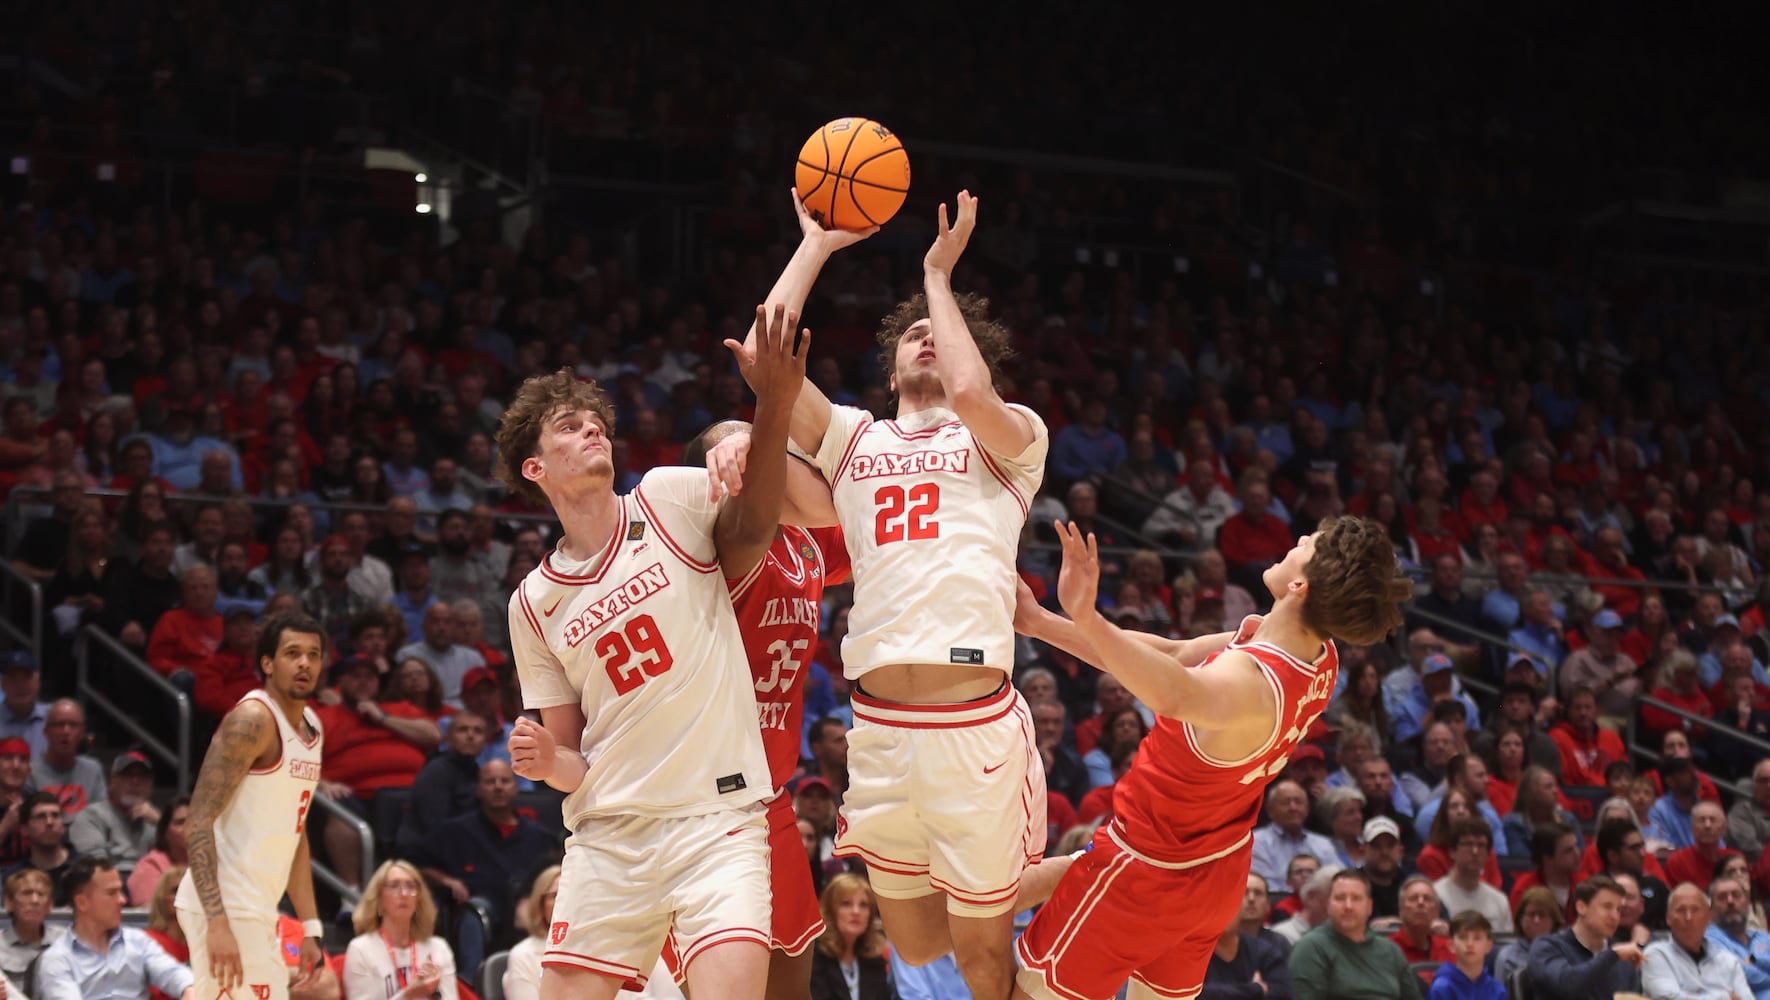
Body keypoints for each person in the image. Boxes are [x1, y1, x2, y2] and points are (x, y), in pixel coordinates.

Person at [726, 192, 1052, 1000]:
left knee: (981, 960)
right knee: (912, 939)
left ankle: (1075, 872)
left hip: (969, 725)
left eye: (940, 334)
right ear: (890, 364)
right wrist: (815, 245)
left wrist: (938, 275)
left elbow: (974, 396)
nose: (925, 337)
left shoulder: (1011, 440)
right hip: (877, 729)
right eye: (911, 331)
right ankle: (1067, 869)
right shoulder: (855, 440)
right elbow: (770, 361)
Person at [500, 306, 803, 997]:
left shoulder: (666, 498)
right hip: (611, 839)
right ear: (536, 465)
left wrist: (747, 442)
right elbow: (573, 765)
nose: (592, 429)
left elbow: (757, 518)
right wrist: (549, 763)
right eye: (570, 427)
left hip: (716, 822)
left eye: (595, 421)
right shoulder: (532, 603)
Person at [1014, 516, 1412, 1000]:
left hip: (1145, 871)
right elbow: (1174, 653)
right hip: (1215, 873)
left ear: (1301, 585)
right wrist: (1040, 622)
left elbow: (1172, 693)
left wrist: (1089, 616)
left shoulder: (1250, 683)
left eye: (1310, 544)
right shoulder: (1319, 655)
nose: (1300, 539)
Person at [681, 416, 852, 1000]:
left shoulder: (803, 537)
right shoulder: (713, 540)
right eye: (733, 450)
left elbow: (862, 507)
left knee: (792, 985)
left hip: (769, 795)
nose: (753, 453)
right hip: (701, 801)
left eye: (757, 443)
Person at [176, 612, 328, 1000]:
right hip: (226, 905)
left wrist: (310, 925)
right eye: (292, 653)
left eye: (314, 654)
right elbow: (198, 821)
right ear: (267, 663)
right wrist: (217, 922)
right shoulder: (252, 720)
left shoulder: (313, 726)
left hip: (260, 907)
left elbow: (296, 832)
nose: (304, 663)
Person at [34, 856, 196, 999]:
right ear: (82, 902)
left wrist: (189, 990)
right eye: (112, 893)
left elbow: (175, 975)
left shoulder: (138, 941)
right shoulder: (57, 958)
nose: (123, 900)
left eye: (121, 891)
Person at [1287, 869, 1421, 1000]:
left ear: (1369, 907)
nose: (1348, 906)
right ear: (1329, 905)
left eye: (1356, 898)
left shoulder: (1391, 951)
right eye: (1340, 898)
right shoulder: (1310, 947)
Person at [341, 860, 459, 1000]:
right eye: (394, 886)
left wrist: (434, 993)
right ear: (378, 898)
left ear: (419, 901)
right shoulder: (361, 949)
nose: (404, 893)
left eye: (411, 886)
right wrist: (409, 994)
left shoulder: (438, 948)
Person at [1526, 875, 1643, 999]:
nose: (1615, 916)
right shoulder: (1547, 947)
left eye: (1619, 909)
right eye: (1607, 906)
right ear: (1581, 907)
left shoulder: (1622, 959)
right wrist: (1611, 956)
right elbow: (1567, 986)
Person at [1641, 882, 1752, 999]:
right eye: (1680, 910)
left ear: (1708, 918)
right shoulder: (1656, 955)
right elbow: (1667, 997)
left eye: (1695, 910)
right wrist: (1725, 997)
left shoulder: (1728, 961)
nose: (1688, 917)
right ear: (1668, 918)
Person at [66, 749, 160, 883]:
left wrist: (161, 822)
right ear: (112, 782)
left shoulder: (155, 820)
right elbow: (97, 869)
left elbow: (184, 855)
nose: (135, 782)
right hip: (109, 885)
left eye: (142, 776)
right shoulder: (91, 816)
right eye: (127, 775)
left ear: (150, 785)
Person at [807, 873, 891, 1000]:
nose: (856, 911)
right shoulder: (813, 959)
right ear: (830, 911)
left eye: (863, 905)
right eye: (846, 904)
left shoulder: (875, 960)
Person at [1249, 780, 1338, 889]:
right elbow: (1264, 887)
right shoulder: (1256, 842)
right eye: (1285, 802)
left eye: (1298, 802)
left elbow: (1338, 880)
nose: (1293, 808)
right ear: (1270, 810)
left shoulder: (1323, 844)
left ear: (1307, 808)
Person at [1431, 819, 1514, 933]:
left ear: (1488, 855)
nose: (1475, 851)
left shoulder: (1499, 900)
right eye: (1468, 844)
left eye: (1481, 845)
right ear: (1452, 851)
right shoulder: (1434, 895)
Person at [1200, 904, 1293, 1000]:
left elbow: (1283, 994)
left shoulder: (1265, 952)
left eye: (1228, 907)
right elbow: (1195, 995)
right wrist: (1256, 989)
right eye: (1216, 909)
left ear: (1240, 910)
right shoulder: (1191, 955)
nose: (1223, 915)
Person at [1705, 875, 1770, 998]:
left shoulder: (1763, 937)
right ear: (1711, 908)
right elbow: (1735, 975)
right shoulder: (1708, 940)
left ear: (1747, 903)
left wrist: (1753, 961)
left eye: (1736, 895)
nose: (1730, 901)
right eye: (1722, 897)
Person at [503, 866, 561, 1000]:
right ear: (540, 904)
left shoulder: (592, 949)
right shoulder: (523, 956)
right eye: (556, 895)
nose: (564, 903)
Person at [0, 867, 65, 984]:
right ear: (9, 902)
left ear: (50, 905)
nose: (35, 900)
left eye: (41, 894)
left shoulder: (66, 941)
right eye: (26, 893)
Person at [1494, 886, 1564, 987]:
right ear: (1520, 918)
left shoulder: (1566, 954)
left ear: (1553, 920)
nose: (1536, 920)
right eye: (1531, 914)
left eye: (1542, 915)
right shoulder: (1506, 957)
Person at [1426, 911, 1504, 1000]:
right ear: (1451, 945)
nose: (1470, 944)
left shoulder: (1497, 990)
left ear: (1488, 946)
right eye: (1463, 937)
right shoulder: (1442, 988)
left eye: (1477, 938)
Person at [125, 796, 187, 907]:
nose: (190, 827)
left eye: (196, 821)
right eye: (180, 822)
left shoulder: (218, 862)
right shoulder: (150, 866)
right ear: (165, 832)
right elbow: (148, 915)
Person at [1665, 800, 1740, 890]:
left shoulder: (1735, 859)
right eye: (1702, 820)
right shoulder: (1677, 862)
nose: (1707, 825)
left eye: (1713, 820)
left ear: (1723, 828)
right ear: (1692, 828)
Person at [1388, 876, 1453, 970]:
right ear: (1401, 908)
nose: (1421, 903)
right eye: (1413, 898)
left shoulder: (1448, 948)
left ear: (1437, 911)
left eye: (1427, 899)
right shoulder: (1387, 949)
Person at [1274, 864, 1339, 946]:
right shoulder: (1281, 936)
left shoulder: (1345, 936)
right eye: (1337, 897)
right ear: (1311, 897)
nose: (1346, 905)